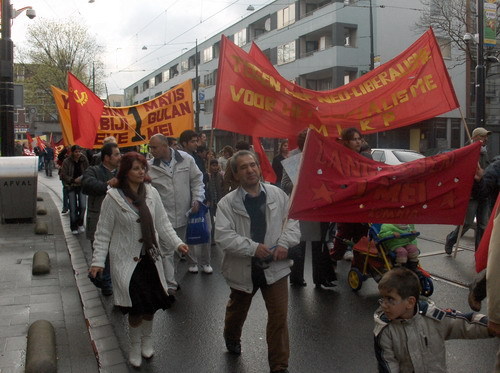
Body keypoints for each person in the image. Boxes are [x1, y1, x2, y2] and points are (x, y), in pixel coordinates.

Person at [89, 152, 188, 368]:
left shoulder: (151, 193)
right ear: (125, 172)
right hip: (126, 261)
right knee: (134, 307)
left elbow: (163, 224)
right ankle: (134, 345)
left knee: (150, 305)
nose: (141, 171)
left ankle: (148, 340)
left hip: (151, 259)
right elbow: (103, 232)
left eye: (143, 167)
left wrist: (177, 243)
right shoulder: (113, 198)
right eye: (136, 168)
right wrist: (97, 261)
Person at [215, 150, 300, 373]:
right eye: (243, 167)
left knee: (279, 318)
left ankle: (279, 366)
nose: (250, 170)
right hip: (244, 268)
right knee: (237, 311)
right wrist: (253, 248)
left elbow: (291, 222)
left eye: (253, 165)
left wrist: (284, 243)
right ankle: (231, 336)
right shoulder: (227, 204)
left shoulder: (277, 194)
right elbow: (223, 236)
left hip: (276, 268)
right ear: (235, 174)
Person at [374, 267, 493, 373]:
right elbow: (388, 366)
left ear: (410, 302)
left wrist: (493, 326)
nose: (384, 305)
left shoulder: (432, 317)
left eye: (390, 299)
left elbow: (464, 323)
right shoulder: (385, 332)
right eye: (382, 298)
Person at [148, 134, 207, 291]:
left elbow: (197, 180)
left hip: (185, 214)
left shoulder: (186, 159)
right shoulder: (149, 166)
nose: (151, 151)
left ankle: (189, 266)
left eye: (154, 147)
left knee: (182, 248)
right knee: (167, 252)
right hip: (164, 218)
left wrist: (197, 199)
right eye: (150, 147)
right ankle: (169, 285)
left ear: (165, 145)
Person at [281, 130, 337, 289]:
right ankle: (296, 278)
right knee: (299, 242)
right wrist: (303, 184)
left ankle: (321, 278)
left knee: (319, 242)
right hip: (300, 206)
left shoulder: (320, 157)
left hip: (318, 205)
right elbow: (285, 184)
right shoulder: (293, 158)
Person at [82, 143, 122, 296]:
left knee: (115, 253)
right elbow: (87, 184)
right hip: (98, 218)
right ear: (107, 157)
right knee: (100, 252)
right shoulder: (93, 170)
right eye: (116, 154)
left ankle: (110, 282)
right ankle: (102, 279)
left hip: (118, 221)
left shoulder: (122, 173)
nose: (119, 157)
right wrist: (107, 185)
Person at [330, 128, 371, 269]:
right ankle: (333, 258)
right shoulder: (340, 159)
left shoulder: (367, 158)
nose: (358, 141)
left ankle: (358, 267)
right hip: (346, 204)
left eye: (360, 138)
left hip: (362, 205)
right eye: (355, 139)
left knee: (361, 237)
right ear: (346, 142)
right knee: (344, 235)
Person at [444, 127, 491, 254]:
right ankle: (451, 239)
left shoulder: (485, 152)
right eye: (482, 136)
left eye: (486, 136)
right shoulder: (467, 151)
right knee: (467, 223)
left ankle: (479, 252)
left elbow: (487, 170)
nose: (485, 139)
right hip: (472, 194)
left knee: (482, 225)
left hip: (484, 193)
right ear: (475, 137)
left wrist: (484, 175)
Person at [179, 130, 213, 274]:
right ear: (184, 143)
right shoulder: (179, 159)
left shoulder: (198, 157)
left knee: (206, 230)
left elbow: (200, 181)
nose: (196, 144)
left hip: (202, 200)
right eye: (192, 141)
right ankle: (192, 261)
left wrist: (207, 197)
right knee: (190, 233)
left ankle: (206, 262)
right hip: (187, 201)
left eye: (196, 140)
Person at [60, 145, 89, 234]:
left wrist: (83, 178)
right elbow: (63, 175)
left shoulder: (84, 159)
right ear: (72, 152)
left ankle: (80, 222)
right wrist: (72, 180)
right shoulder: (67, 161)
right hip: (71, 185)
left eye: (79, 152)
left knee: (83, 206)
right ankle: (73, 226)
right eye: (76, 152)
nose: (78, 154)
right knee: (73, 207)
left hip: (81, 185)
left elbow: (88, 170)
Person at [207, 159, 223, 242]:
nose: (215, 167)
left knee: (220, 219)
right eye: (213, 165)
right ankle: (212, 238)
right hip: (211, 201)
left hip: (219, 199)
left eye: (216, 165)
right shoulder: (207, 175)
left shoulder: (220, 175)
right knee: (211, 220)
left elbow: (223, 186)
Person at [57, 146, 71, 214]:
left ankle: (71, 205)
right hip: (64, 176)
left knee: (71, 191)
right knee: (66, 190)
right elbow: (60, 156)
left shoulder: (77, 156)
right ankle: (65, 207)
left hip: (72, 176)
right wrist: (65, 149)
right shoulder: (64, 156)